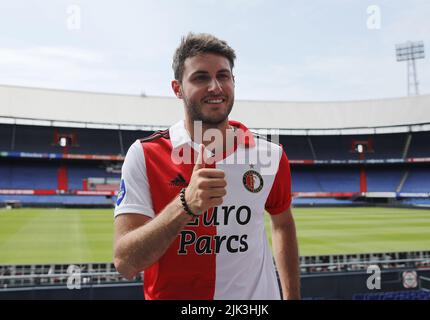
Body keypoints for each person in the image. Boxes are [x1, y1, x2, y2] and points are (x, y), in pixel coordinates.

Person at [113, 33, 300, 300]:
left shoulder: (269, 154)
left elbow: (282, 223)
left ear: (233, 82)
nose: (215, 86)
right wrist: (185, 204)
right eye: (201, 77)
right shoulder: (145, 154)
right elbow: (125, 263)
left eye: (223, 76)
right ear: (177, 88)